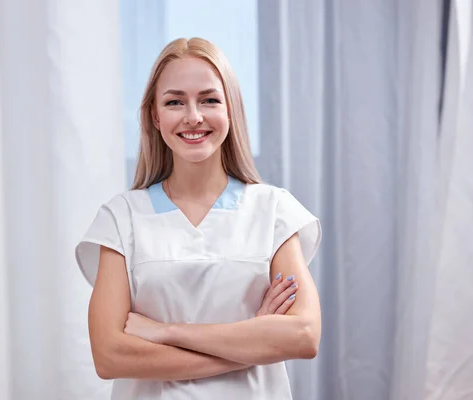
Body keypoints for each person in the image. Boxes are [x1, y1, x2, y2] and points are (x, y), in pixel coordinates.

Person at [75, 37, 322, 399]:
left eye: (209, 99)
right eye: (175, 102)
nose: (193, 116)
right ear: (155, 117)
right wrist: (251, 340)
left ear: (230, 110)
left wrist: (167, 331)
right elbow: (110, 356)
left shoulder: (274, 211)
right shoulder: (121, 219)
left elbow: (303, 336)